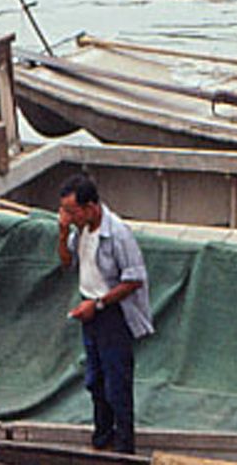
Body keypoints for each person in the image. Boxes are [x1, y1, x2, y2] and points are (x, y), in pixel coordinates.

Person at [56, 174, 152, 455]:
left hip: (113, 315)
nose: (68, 217)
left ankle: (124, 448)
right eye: (64, 211)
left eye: (72, 211)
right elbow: (67, 263)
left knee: (117, 385)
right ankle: (102, 439)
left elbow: (135, 278)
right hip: (90, 313)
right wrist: (62, 236)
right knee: (95, 381)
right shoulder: (80, 231)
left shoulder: (118, 234)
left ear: (91, 207)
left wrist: (98, 304)